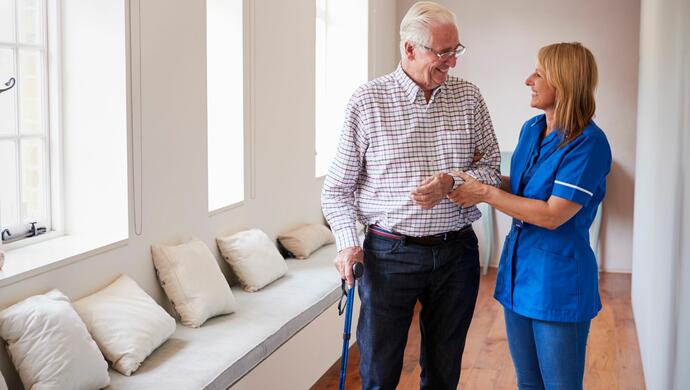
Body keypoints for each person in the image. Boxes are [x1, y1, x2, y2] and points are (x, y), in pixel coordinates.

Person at [321, 2, 501, 388]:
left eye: (456, 50)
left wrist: (451, 182)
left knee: (443, 371)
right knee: (379, 372)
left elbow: (492, 172)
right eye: (443, 52)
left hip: (457, 254)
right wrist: (347, 244)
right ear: (409, 49)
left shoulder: (468, 97)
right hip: (389, 256)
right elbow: (337, 190)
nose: (452, 62)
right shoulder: (368, 101)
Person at [448, 42, 612, 390]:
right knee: (527, 383)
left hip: (558, 283)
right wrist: (475, 179)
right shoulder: (531, 129)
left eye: (538, 73)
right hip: (518, 274)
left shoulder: (589, 144)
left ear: (564, 82)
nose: (528, 80)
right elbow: (524, 187)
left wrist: (486, 194)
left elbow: (553, 214)